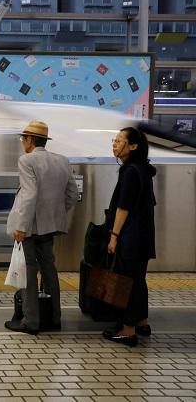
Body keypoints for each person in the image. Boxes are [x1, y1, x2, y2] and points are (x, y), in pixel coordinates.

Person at [4, 120, 78, 335]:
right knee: (49, 270)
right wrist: (54, 214)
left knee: (28, 271)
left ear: (29, 140)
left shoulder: (27, 161)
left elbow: (29, 194)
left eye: (23, 139)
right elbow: (72, 195)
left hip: (30, 227)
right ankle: (55, 318)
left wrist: (21, 226)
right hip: (50, 226)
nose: (22, 143)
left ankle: (31, 321)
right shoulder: (62, 161)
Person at [102, 127, 157, 347]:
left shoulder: (130, 171)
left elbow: (123, 207)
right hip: (143, 234)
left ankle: (128, 330)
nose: (114, 144)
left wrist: (114, 236)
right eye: (114, 140)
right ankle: (142, 322)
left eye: (119, 141)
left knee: (129, 282)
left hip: (131, 236)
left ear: (133, 146)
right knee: (138, 280)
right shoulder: (143, 169)